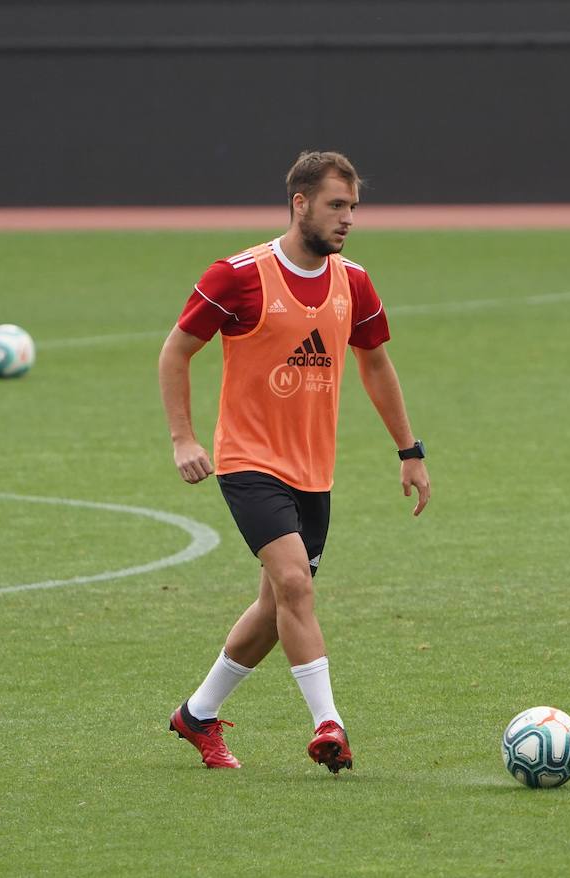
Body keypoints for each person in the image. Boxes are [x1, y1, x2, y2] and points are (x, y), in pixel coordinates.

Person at [157, 150, 431, 771]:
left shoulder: (353, 281)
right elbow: (176, 352)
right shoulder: (237, 276)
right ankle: (328, 726)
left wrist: (409, 450)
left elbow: (376, 363)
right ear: (299, 203)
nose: (348, 220)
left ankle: (195, 717)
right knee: (295, 585)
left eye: (354, 208)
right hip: (248, 461)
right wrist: (184, 438)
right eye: (337, 205)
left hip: (314, 470)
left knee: (275, 607)